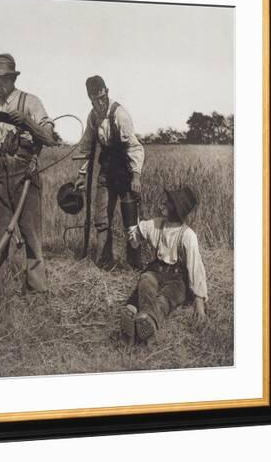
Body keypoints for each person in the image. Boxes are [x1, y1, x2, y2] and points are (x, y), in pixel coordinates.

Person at [0, 53, 56, 316]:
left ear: (12, 77)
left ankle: (37, 295)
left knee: (31, 236)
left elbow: (50, 138)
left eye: (2, 79)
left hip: (25, 174)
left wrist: (27, 121)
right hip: (0, 175)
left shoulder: (30, 102)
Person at [120, 186, 208, 346]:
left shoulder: (188, 235)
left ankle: (147, 320)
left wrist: (199, 302)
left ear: (177, 209)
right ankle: (143, 322)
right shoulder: (156, 224)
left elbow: (195, 268)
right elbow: (134, 239)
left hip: (178, 279)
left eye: (168, 202)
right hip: (156, 270)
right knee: (146, 282)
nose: (163, 203)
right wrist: (130, 225)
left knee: (166, 297)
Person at [75, 75, 145, 269]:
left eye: (101, 97)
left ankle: (134, 264)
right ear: (89, 98)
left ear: (106, 92)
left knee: (130, 220)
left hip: (124, 170)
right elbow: (87, 148)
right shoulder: (93, 117)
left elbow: (135, 148)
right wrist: (81, 175)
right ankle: (105, 263)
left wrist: (136, 176)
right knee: (101, 220)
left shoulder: (119, 114)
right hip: (106, 170)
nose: (99, 102)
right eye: (94, 99)